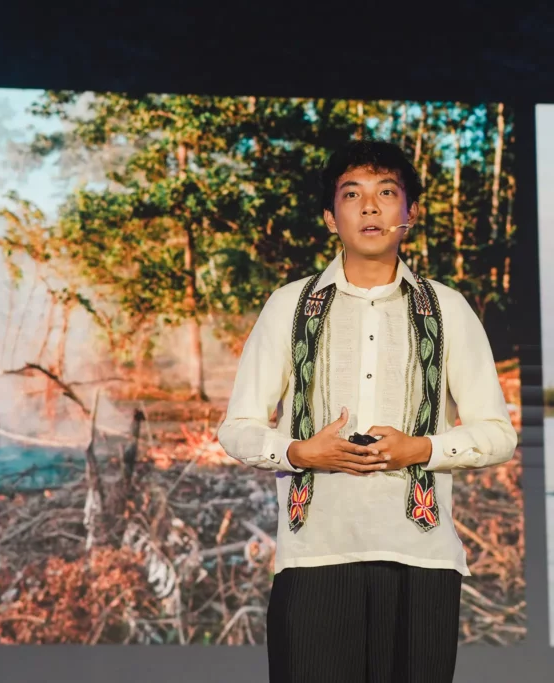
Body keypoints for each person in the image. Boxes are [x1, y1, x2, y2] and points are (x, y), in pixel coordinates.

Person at [218, 139, 517, 683]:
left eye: (387, 193)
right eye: (352, 195)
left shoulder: (448, 308)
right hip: (314, 557)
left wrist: (423, 448)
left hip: (420, 560)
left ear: (411, 213)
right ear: (331, 217)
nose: (371, 208)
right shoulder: (289, 305)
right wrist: (297, 451)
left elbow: (497, 433)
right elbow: (237, 428)